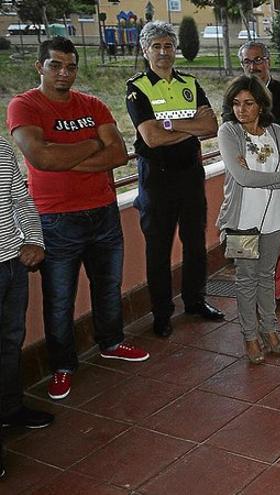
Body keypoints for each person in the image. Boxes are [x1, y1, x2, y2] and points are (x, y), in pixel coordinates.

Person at [7, 37, 150, 401]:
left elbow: (118, 153)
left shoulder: (93, 104)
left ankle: (112, 341)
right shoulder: (24, 106)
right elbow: (40, 158)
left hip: (103, 212)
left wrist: (63, 153)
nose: (64, 73)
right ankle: (63, 366)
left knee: (107, 287)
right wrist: (90, 145)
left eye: (70, 66)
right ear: (40, 67)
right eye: (55, 65)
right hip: (55, 221)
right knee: (59, 300)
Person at [126, 21, 224, 338]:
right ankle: (162, 313)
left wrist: (169, 125)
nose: (163, 52)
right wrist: (186, 125)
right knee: (159, 248)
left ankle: (195, 301)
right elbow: (151, 138)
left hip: (190, 174)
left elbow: (211, 127)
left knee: (195, 244)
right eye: (156, 46)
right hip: (157, 178)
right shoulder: (137, 87)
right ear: (145, 50)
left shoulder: (191, 83)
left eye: (168, 45)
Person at [217, 76, 280, 365]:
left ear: (261, 104)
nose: (242, 109)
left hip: (276, 218)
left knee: (266, 276)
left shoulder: (276, 131)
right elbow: (243, 178)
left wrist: (277, 179)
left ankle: (270, 330)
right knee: (246, 279)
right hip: (242, 221)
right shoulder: (228, 132)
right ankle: (250, 336)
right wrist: (279, 178)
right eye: (236, 103)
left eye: (248, 103)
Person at [229, 41, 280, 311]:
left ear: (268, 61)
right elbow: (231, 133)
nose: (253, 66)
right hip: (245, 188)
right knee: (246, 243)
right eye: (247, 62)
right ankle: (249, 292)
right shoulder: (235, 95)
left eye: (258, 60)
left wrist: (253, 128)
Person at [0, 137, 51, 478]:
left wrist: (34, 238)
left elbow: (20, 199)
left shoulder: (2, 148)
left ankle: (9, 407)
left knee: (9, 341)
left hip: (11, 264)